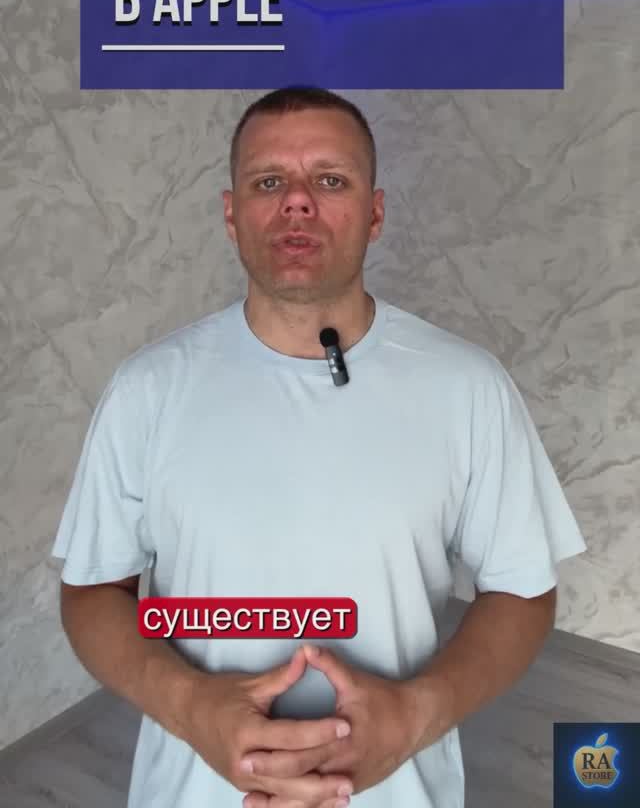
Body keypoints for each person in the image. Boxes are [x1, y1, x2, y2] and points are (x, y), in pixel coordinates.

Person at [52, 86, 587, 808]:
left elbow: (521, 590)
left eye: (330, 180)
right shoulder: (147, 389)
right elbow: (92, 591)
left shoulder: (468, 387)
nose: (297, 202)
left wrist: (416, 714)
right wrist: (191, 706)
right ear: (231, 214)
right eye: (268, 181)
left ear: (375, 212)